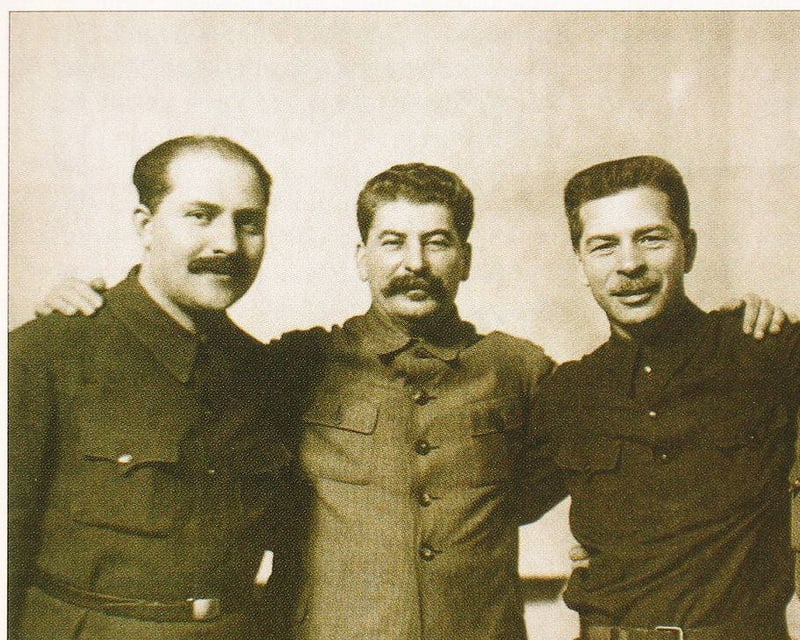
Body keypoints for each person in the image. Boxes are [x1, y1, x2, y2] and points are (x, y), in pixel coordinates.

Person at [31, 162, 789, 640]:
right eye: (392, 242)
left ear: (466, 259)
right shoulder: (289, 367)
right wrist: (93, 305)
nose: (414, 263)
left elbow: (620, 481)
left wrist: (754, 323)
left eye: (437, 241)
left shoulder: (525, 374)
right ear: (360, 259)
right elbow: (183, 369)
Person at [8, 135, 299, 640]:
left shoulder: (267, 373)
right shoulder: (46, 352)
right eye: (201, 216)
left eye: (249, 222)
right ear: (145, 225)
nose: (229, 244)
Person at [531, 155, 800, 640]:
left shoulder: (767, 352)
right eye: (604, 246)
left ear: (688, 249)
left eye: (651, 238)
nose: (629, 264)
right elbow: (482, 505)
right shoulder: (565, 392)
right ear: (581, 264)